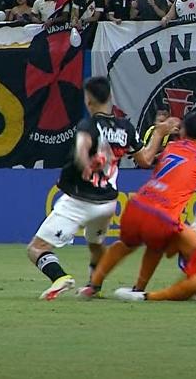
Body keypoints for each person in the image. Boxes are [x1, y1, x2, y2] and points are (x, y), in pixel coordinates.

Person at [26, 76, 178, 300]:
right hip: (107, 204)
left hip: (79, 200)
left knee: (36, 249)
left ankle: (60, 277)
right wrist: (158, 133)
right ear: (110, 97)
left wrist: (84, 160)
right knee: (96, 244)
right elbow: (145, 159)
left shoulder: (88, 126)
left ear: (88, 101)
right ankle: (94, 287)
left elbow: (81, 151)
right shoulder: (124, 127)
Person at [77, 112, 196, 298]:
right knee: (159, 247)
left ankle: (93, 286)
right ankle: (139, 290)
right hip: (163, 214)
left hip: (138, 204)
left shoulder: (172, 147)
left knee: (124, 245)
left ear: (182, 132)